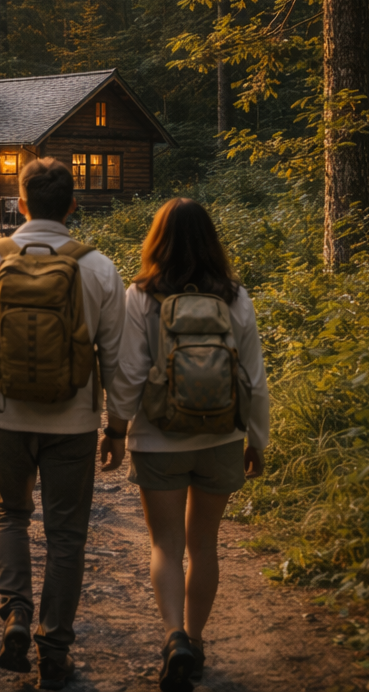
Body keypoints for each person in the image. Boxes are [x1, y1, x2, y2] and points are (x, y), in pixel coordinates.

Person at [0, 157, 125, 690]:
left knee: (9, 515)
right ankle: (55, 646)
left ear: (20, 203)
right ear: (73, 204)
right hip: (73, 421)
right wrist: (117, 426)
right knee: (67, 535)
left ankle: (17, 617)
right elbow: (118, 358)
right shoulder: (98, 267)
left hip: (4, 414)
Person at [103, 198, 269, 692]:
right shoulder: (235, 296)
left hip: (159, 438)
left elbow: (129, 372)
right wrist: (257, 439)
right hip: (222, 436)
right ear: (212, 240)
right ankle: (195, 641)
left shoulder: (143, 295)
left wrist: (116, 429)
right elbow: (255, 381)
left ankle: (173, 636)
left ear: (157, 239)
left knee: (166, 545)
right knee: (205, 546)